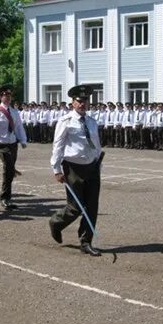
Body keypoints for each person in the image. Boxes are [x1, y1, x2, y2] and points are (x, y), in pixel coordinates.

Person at [49, 85, 103, 257]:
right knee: (75, 207)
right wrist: (56, 169)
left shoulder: (91, 122)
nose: (82, 104)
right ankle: (56, 222)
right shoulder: (65, 121)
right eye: (79, 101)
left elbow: (96, 144)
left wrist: (98, 163)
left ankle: (86, 241)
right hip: (73, 168)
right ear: (72, 102)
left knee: (92, 206)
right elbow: (58, 145)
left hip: (92, 167)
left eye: (85, 100)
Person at [0, 85, 27, 210]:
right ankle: (4, 198)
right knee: (8, 167)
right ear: (0, 97)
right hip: (2, 143)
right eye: (5, 96)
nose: (8, 98)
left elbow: (19, 127)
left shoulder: (14, 112)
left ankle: (7, 197)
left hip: (13, 143)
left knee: (9, 170)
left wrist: (23, 139)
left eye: (9, 96)